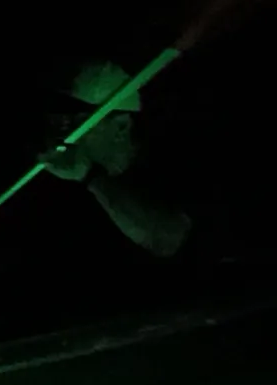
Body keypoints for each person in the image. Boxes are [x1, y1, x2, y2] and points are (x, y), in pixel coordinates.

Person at [36, 57, 195, 259]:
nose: (59, 125)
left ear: (121, 126)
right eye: (56, 111)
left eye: (76, 115)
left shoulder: (174, 166)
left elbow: (168, 240)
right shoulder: (58, 182)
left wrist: (90, 176)